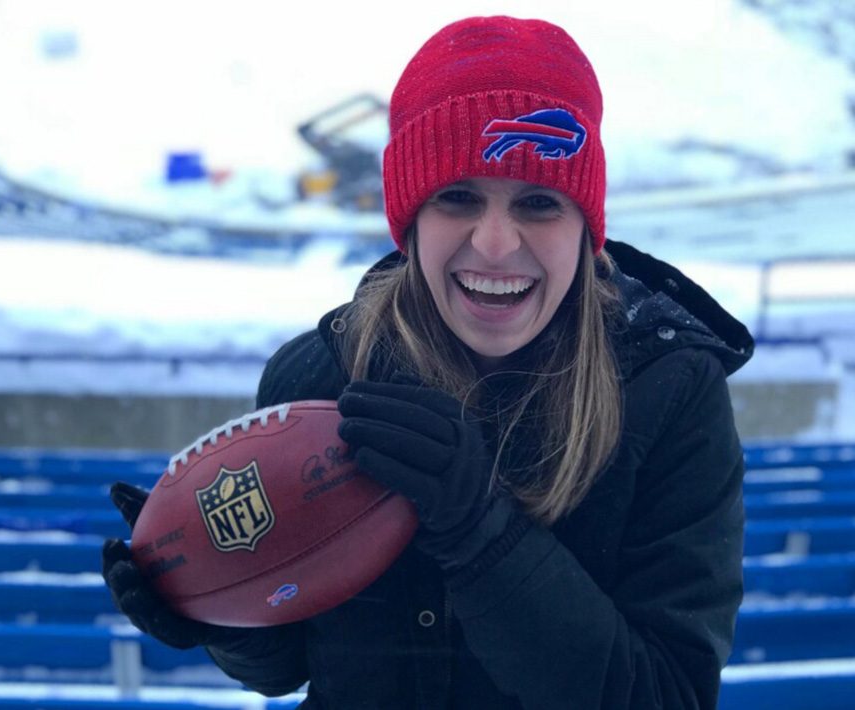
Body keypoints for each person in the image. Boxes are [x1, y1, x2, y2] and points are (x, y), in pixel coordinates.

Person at [102, 15, 754, 709]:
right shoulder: (319, 378)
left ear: (587, 228)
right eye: (457, 197)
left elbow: (668, 696)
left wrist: (482, 534)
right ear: (410, 217)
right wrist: (212, 595)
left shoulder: (668, 393)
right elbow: (283, 666)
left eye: (539, 202)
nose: (497, 244)